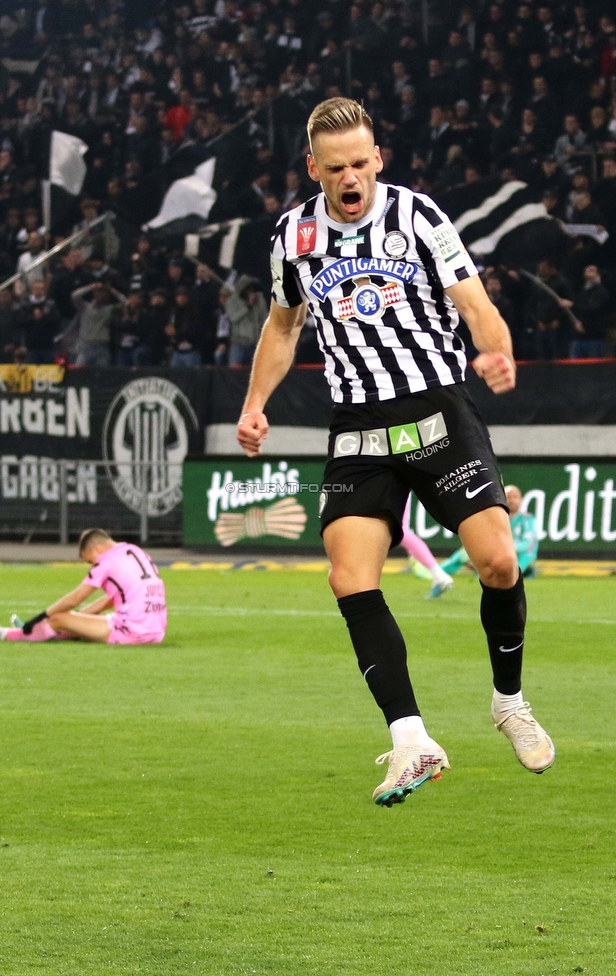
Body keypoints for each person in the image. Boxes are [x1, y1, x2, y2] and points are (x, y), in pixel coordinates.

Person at [236, 98, 555, 808]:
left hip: (438, 409)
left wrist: (496, 350)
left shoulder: (417, 216)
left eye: (361, 163)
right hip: (358, 425)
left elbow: (472, 301)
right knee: (349, 578)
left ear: (377, 158)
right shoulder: (293, 234)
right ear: (312, 167)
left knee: (498, 560)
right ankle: (411, 739)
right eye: (336, 167)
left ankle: (509, 702)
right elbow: (283, 327)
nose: (351, 178)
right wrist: (254, 405)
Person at [0, 528, 167, 645]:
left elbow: (75, 599)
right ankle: (39, 633)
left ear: (96, 549)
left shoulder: (106, 561)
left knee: (58, 619)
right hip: (156, 630)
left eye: (89, 560)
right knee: (76, 623)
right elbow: (111, 600)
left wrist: (41, 616)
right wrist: (80, 617)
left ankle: (7, 635)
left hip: (132, 633)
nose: (91, 564)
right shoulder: (133, 550)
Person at [440, 485, 539, 579]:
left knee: (525, 557)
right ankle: (437, 572)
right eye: (508, 497)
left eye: (515, 497)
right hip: (497, 555)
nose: (512, 500)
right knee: (464, 553)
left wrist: (506, 549)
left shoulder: (527, 519)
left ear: (521, 500)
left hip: (520, 556)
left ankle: (511, 574)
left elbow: (528, 543)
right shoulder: (496, 518)